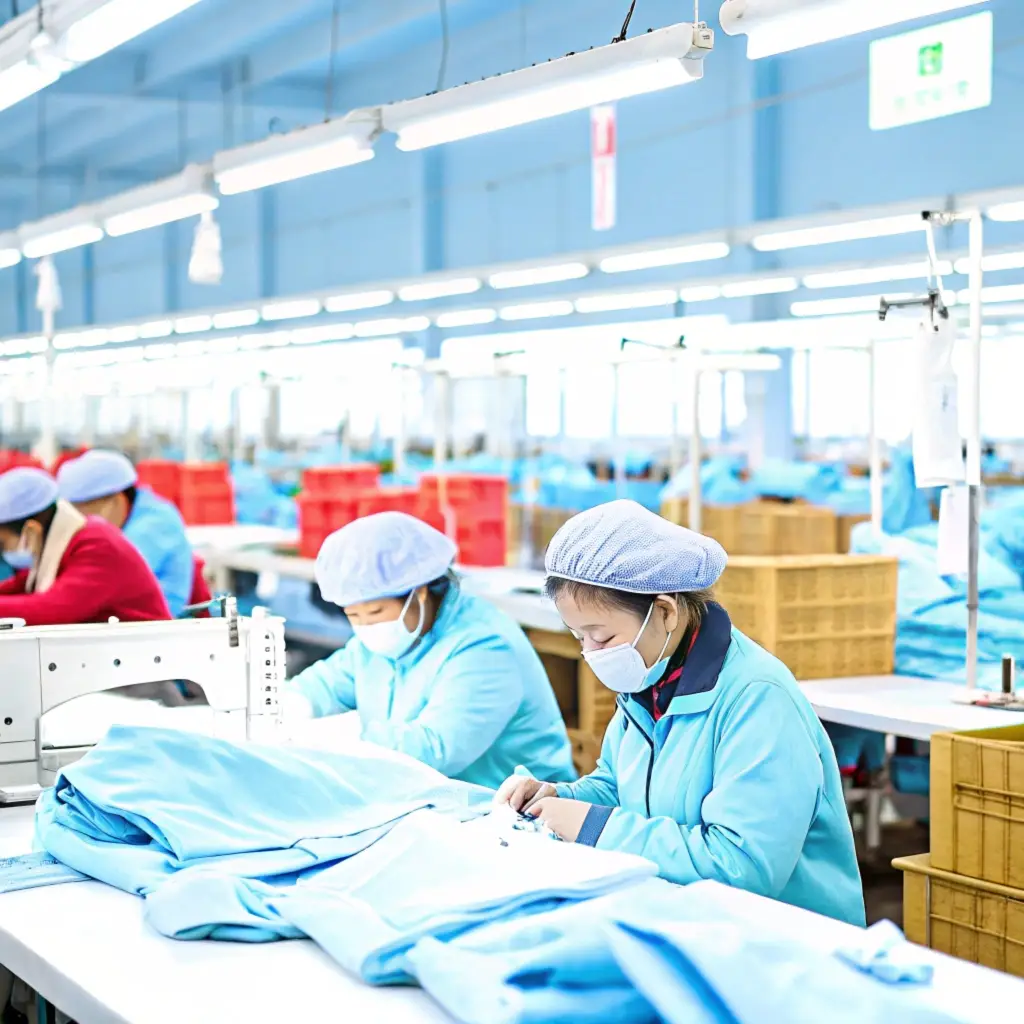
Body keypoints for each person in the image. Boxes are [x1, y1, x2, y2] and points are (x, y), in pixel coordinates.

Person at [496, 500, 865, 927]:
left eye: (601, 636)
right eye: (579, 637)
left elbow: (742, 868)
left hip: (790, 942)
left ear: (666, 611)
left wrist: (595, 826)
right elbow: (619, 786)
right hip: (691, 920)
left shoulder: (757, 699)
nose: (590, 654)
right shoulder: (650, 683)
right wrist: (559, 799)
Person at [282, 511, 576, 790]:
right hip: (433, 798)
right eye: (352, 615)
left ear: (418, 593)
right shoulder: (381, 641)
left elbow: (436, 749)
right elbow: (327, 683)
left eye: (374, 611)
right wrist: (291, 706)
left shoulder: (484, 646)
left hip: (516, 811)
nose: (365, 626)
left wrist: (339, 736)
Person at [0, 467, 171, 625]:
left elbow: (54, 609)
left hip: (148, 651)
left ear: (31, 530)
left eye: (3, 544)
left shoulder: (97, 545)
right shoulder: (62, 545)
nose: (5, 552)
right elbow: (21, 585)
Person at [57, 450, 193, 616]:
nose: (79, 524)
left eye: (83, 513)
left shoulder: (154, 525)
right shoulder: (132, 517)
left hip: (155, 630)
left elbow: (103, 577)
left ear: (115, 501)